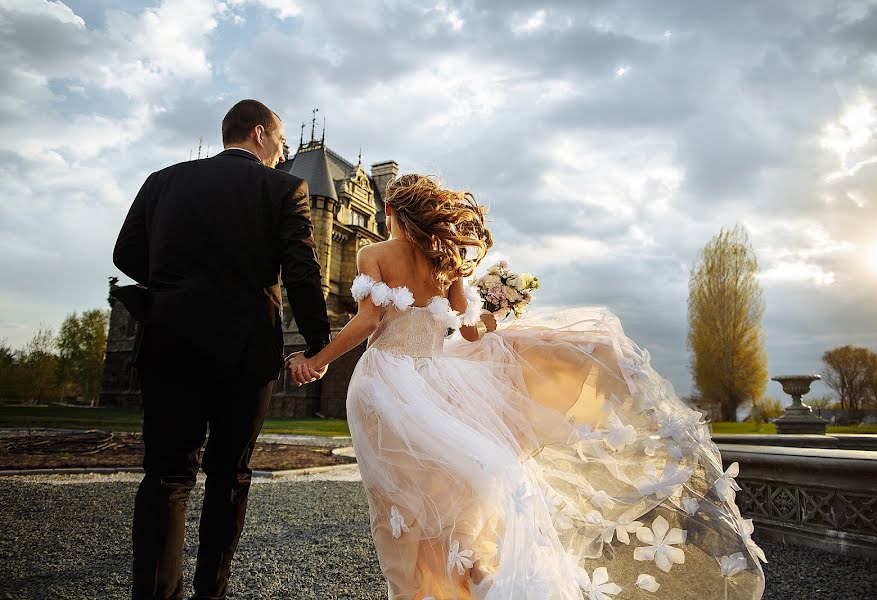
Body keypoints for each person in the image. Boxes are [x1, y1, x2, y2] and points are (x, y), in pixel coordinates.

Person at [288, 173, 766, 599]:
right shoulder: (447, 265)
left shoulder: (375, 254)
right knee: (448, 487)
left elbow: (368, 320)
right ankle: (462, 579)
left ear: (391, 212)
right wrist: (498, 315)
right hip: (438, 385)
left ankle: (415, 590)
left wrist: (317, 360)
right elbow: (472, 330)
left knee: (394, 498)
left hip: (384, 383)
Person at [114, 99, 330, 600]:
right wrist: (319, 347)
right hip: (245, 347)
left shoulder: (162, 180)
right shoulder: (285, 188)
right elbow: (301, 271)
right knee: (229, 474)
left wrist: (179, 287)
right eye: (279, 142)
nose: (283, 153)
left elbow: (125, 254)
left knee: (167, 475)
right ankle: (210, 592)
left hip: (169, 340)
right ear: (260, 134)